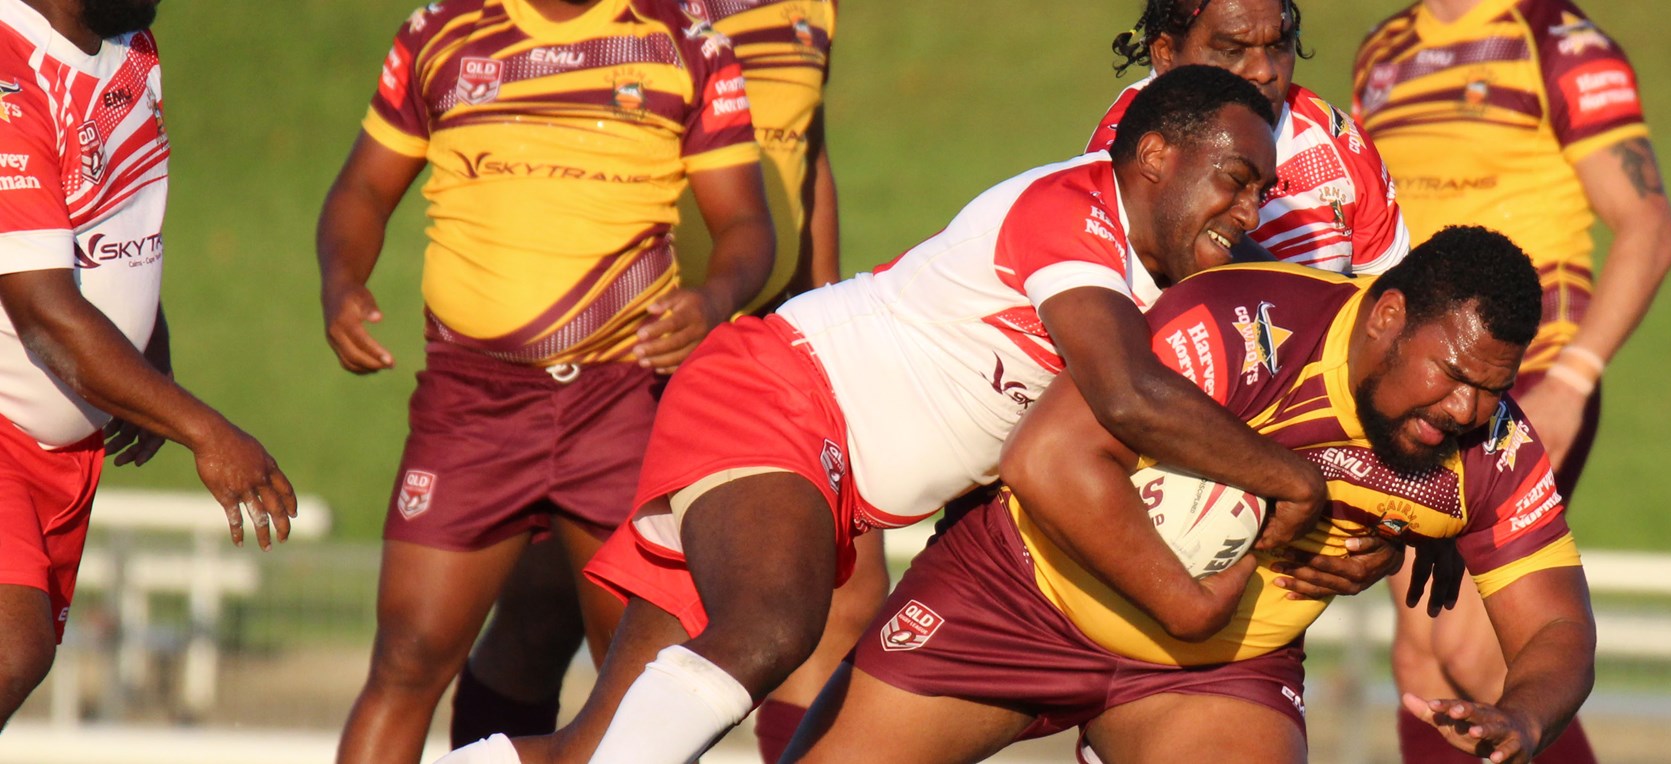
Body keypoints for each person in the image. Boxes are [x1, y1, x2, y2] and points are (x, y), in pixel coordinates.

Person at [438, 64, 1348, 764]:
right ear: (1154, 157)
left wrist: (1363, 525)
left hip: (821, 466)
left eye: (1264, 188)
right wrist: (1293, 486)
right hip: (776, 398)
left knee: (594, 747)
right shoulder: (1074, 209)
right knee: (771, 627)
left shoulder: (1169, 289)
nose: (1251, 206)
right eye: (1235, 177)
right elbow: (1127, 398)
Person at [791, 227, 1594, 764]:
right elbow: (1045, 457)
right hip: (1015, 595)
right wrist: (1189, 601)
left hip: (1209, 675)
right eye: (1451, 376)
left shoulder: (1491, 445)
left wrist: (1525, 714)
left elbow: (1557, 622)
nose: (1465, 410)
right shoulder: (1247, 322)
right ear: (1387, 315)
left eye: (1489, 389)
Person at [317, 0, 775, 761]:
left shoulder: (683, 39)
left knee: (637, 694)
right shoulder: (441, 32)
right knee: (405, 659)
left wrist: (715, 298)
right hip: (471, 404)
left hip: (622, 401)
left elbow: (746, 224)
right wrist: (341, 282)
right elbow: (362, 189)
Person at [442, 3, 859, 760]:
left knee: (816, 603)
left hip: (762, 337)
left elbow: (805, 146)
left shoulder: (816, 8)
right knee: (569, 624)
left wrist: (822, 295)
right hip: (640, 350)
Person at [1353, 2, 1671, 760]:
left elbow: (1649, 225)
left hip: (1520, 380)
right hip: (1417, 382)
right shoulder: (1384, 49)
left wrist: (1572, 380)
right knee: (1424, 657)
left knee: (1473, 648)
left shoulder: (1558, 40)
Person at [0, 0, 297, 727]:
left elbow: (117, 221)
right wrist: (207, 430)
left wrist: (146, 362)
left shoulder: (133, 47)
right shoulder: (9, 74)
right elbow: (43, 315)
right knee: (14, 650)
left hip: (62, 456)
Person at [1090, 0, 1409, 275]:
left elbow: (1389, 308)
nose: (1264, 71)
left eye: (1278, 44)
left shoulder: (1336, 140)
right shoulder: (1131, 151)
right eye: (1232, 50)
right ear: (1165, 53)